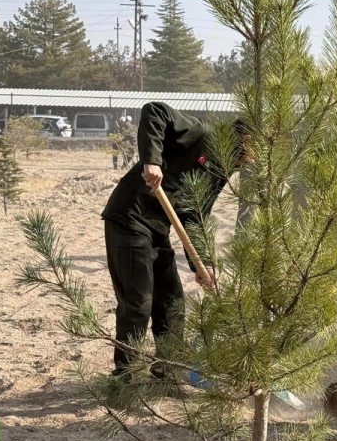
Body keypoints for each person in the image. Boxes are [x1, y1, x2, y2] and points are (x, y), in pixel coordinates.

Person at [101, 102, 239, 380]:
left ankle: (168, 367)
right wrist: (151, 159)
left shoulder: (223, 169)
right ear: (245, 140)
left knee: (172, 302)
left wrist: (202, 263)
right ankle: (124, 376)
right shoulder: (202, 133)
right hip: (130, 217)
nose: (255, 160)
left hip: (158, 228)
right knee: (138, 303)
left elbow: (195, 213)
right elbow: (155, 111)